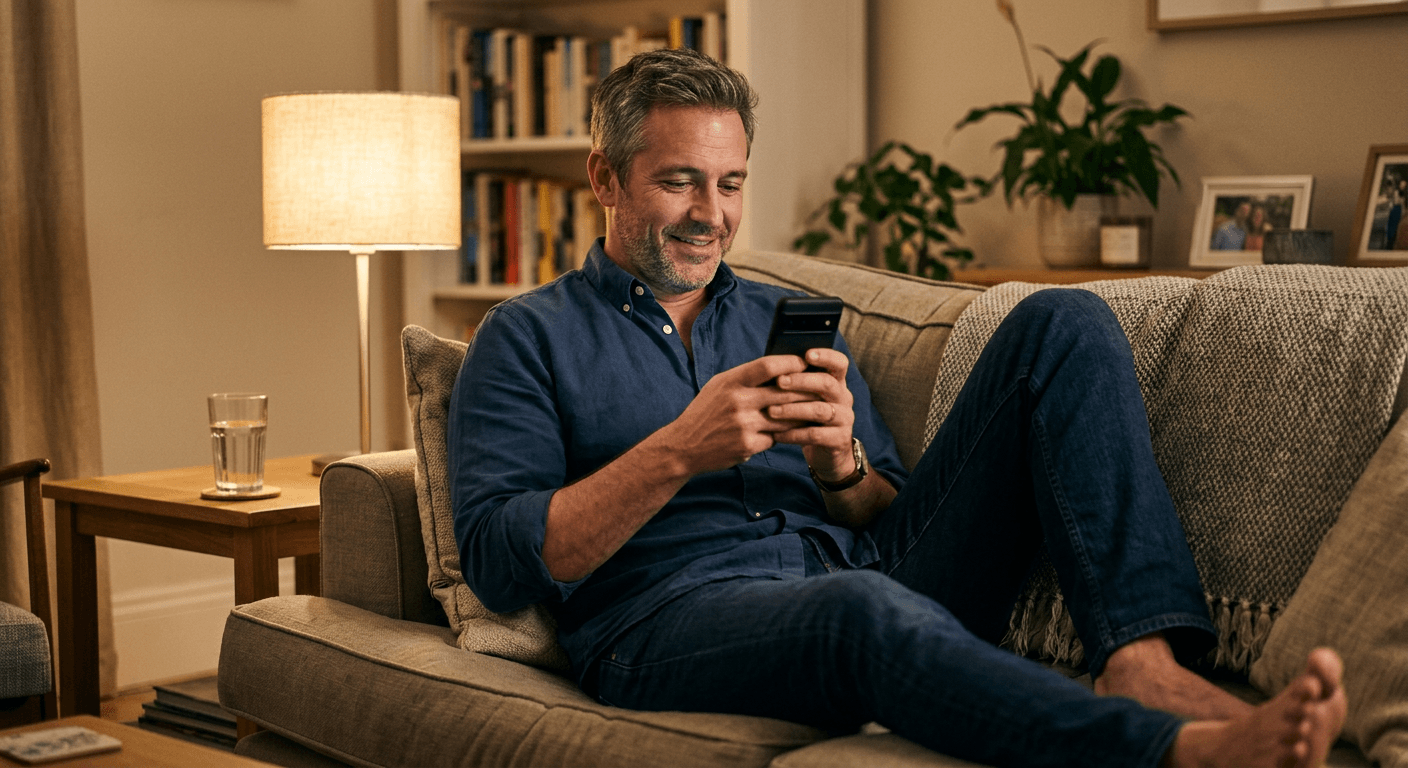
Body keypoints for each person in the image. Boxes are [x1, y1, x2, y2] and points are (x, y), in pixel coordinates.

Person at [448, 48, 1346, 768]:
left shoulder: (772, 316)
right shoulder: (525, 337)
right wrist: (680, 450)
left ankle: (1142, 662)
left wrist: (841, 467)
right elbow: (500, 560)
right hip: (667, 620)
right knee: (860, 615)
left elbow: (887, 506)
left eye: (730, 184)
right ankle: (1173, 750)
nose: (710, 216)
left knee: (1063, 320)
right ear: (605, 178)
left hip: (864, 562)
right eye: (679, 181)